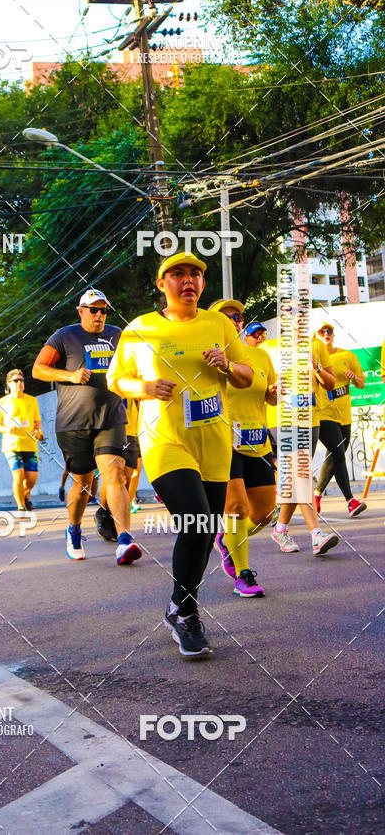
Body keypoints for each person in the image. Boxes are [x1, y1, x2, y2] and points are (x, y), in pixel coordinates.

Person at [107, 253, 252, 657]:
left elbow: (246, 376)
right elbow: (116, 378)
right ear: (162, 284)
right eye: (178, 274)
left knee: (205, 533)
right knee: (196, 522)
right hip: (165, 440)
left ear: (202, 285)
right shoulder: (141, 329)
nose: (188, 280)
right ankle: (188, 617)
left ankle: (177, 606)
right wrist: (146, 388)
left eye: (195, 274)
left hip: (215, 443)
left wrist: (227, 365)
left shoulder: (219, 324)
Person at [33, 287, 141, 565]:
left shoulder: (119, 335)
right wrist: (69, 375)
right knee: (83, 485)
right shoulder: (65, 336)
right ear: (81, 311)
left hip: (111, 417)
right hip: (73, 423)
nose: (99, 315)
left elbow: (136, 365)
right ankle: (74, 529)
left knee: (116, 474)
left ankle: (125, 540)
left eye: (103, 310)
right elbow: (38, 369)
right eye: (93, 309)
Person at [210, 309, 277, 597]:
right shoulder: (206, 354)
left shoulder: (259, 356)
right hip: (223, 438)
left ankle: (227, 542)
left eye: (237, 316)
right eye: (226, 316)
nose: (234, 320)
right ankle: (244, 573)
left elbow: (268, 396)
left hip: (257, 438)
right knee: (237, 508)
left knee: (264, 514)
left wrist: (274, 394)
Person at [272, 327, 338, 554]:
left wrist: (317, 367)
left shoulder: (316, 345)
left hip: (312, 420)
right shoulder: (272, 348)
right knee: (302, 474)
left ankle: (280, 528)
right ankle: (316, 535)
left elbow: (331, 383)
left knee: (295, 478)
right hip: (284, 420)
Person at [313, 322, 366, 517]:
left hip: (344, 413)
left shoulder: (347, 356)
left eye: (329, 331)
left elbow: (361, 383)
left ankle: (316, 495)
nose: (326, 334)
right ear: (316, 336)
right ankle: (350, 501)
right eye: (322, 332)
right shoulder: (313, 357)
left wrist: (354, 378)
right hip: (323, 412)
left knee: (336, 453)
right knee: (337, 451)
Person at [0, 369, 44, 513]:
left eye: (21, 380)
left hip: (30, 445)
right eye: (16, 380)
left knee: (31, 478)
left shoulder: (32, 400)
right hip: (12, 445)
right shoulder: (2, 402)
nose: (19, 383)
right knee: (18, 475)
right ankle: (21, 505)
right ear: (9, 383)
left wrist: (37, 431)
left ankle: (24, 494)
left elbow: (37, 422)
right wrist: (7, 429)